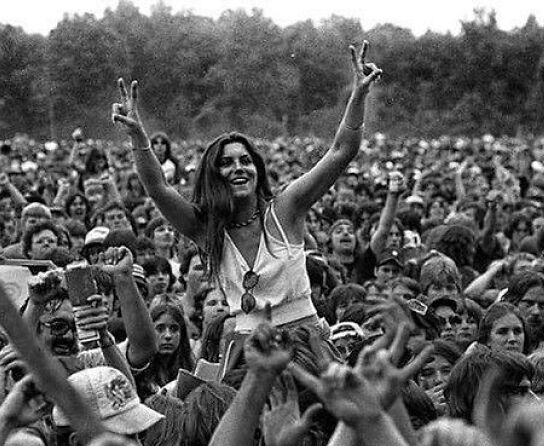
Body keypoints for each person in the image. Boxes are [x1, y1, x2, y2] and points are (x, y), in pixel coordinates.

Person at [112, 40, 382, 334]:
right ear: (214, 176)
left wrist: (359, 95)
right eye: (226, 163)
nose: (238, 168)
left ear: (257, 169)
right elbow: (158, 188)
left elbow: (342, 150)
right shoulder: (207, 229)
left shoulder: (285, 209)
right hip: (248, 353)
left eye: (245, 161)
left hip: (307, 347)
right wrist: (138, 136)